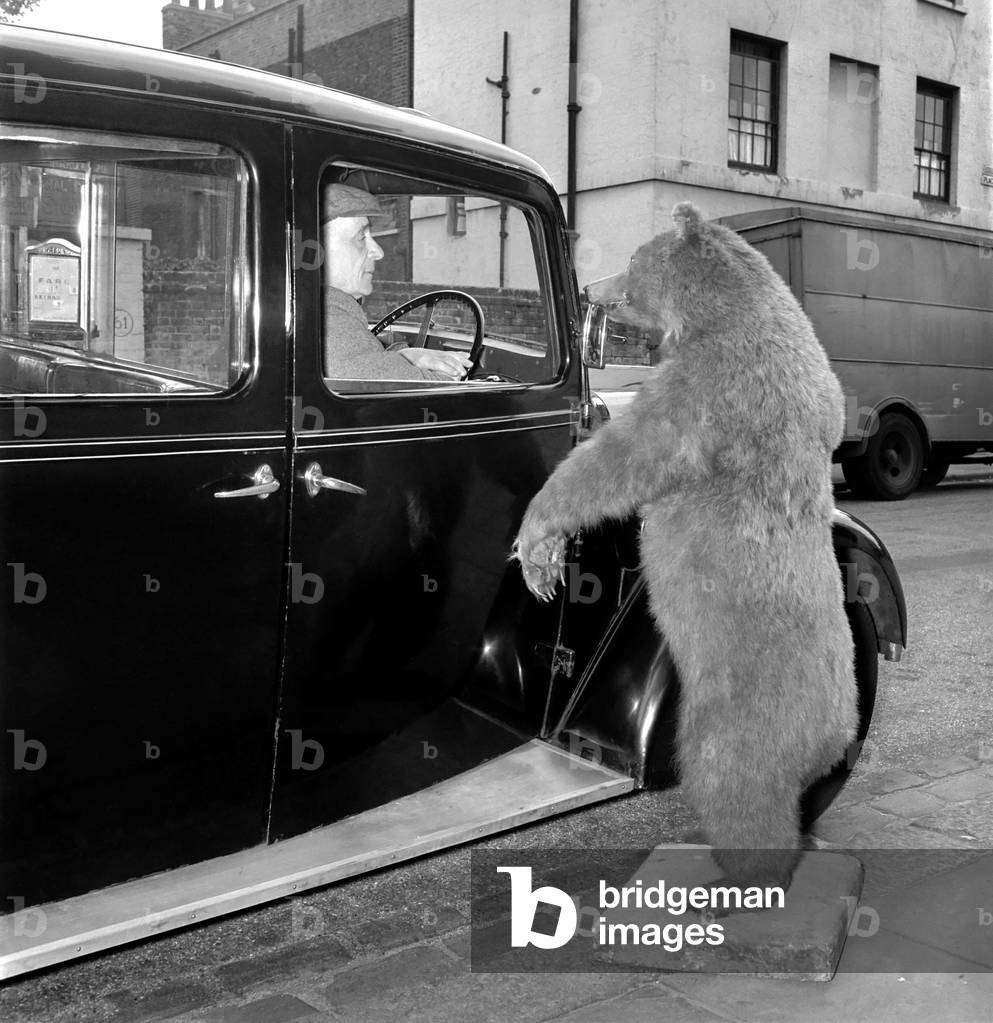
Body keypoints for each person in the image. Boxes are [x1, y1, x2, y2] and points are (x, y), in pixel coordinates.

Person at [321, 184, 472, 381]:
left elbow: (364, 365)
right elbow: (430, 394)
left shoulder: (325, 313)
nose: (378, 251)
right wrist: (451, 375)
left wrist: (406, 356)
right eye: (361, 237)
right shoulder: (330, 320)